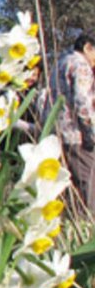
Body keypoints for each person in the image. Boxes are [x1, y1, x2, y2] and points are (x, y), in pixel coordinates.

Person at [53, 33, 95, 209]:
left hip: (58, 134)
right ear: (87, 48)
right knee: (90, 186)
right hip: (77, 135)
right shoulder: (81, 65)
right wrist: (91, 132)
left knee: (69, 189)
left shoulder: (60, 64)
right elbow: (82, 102)